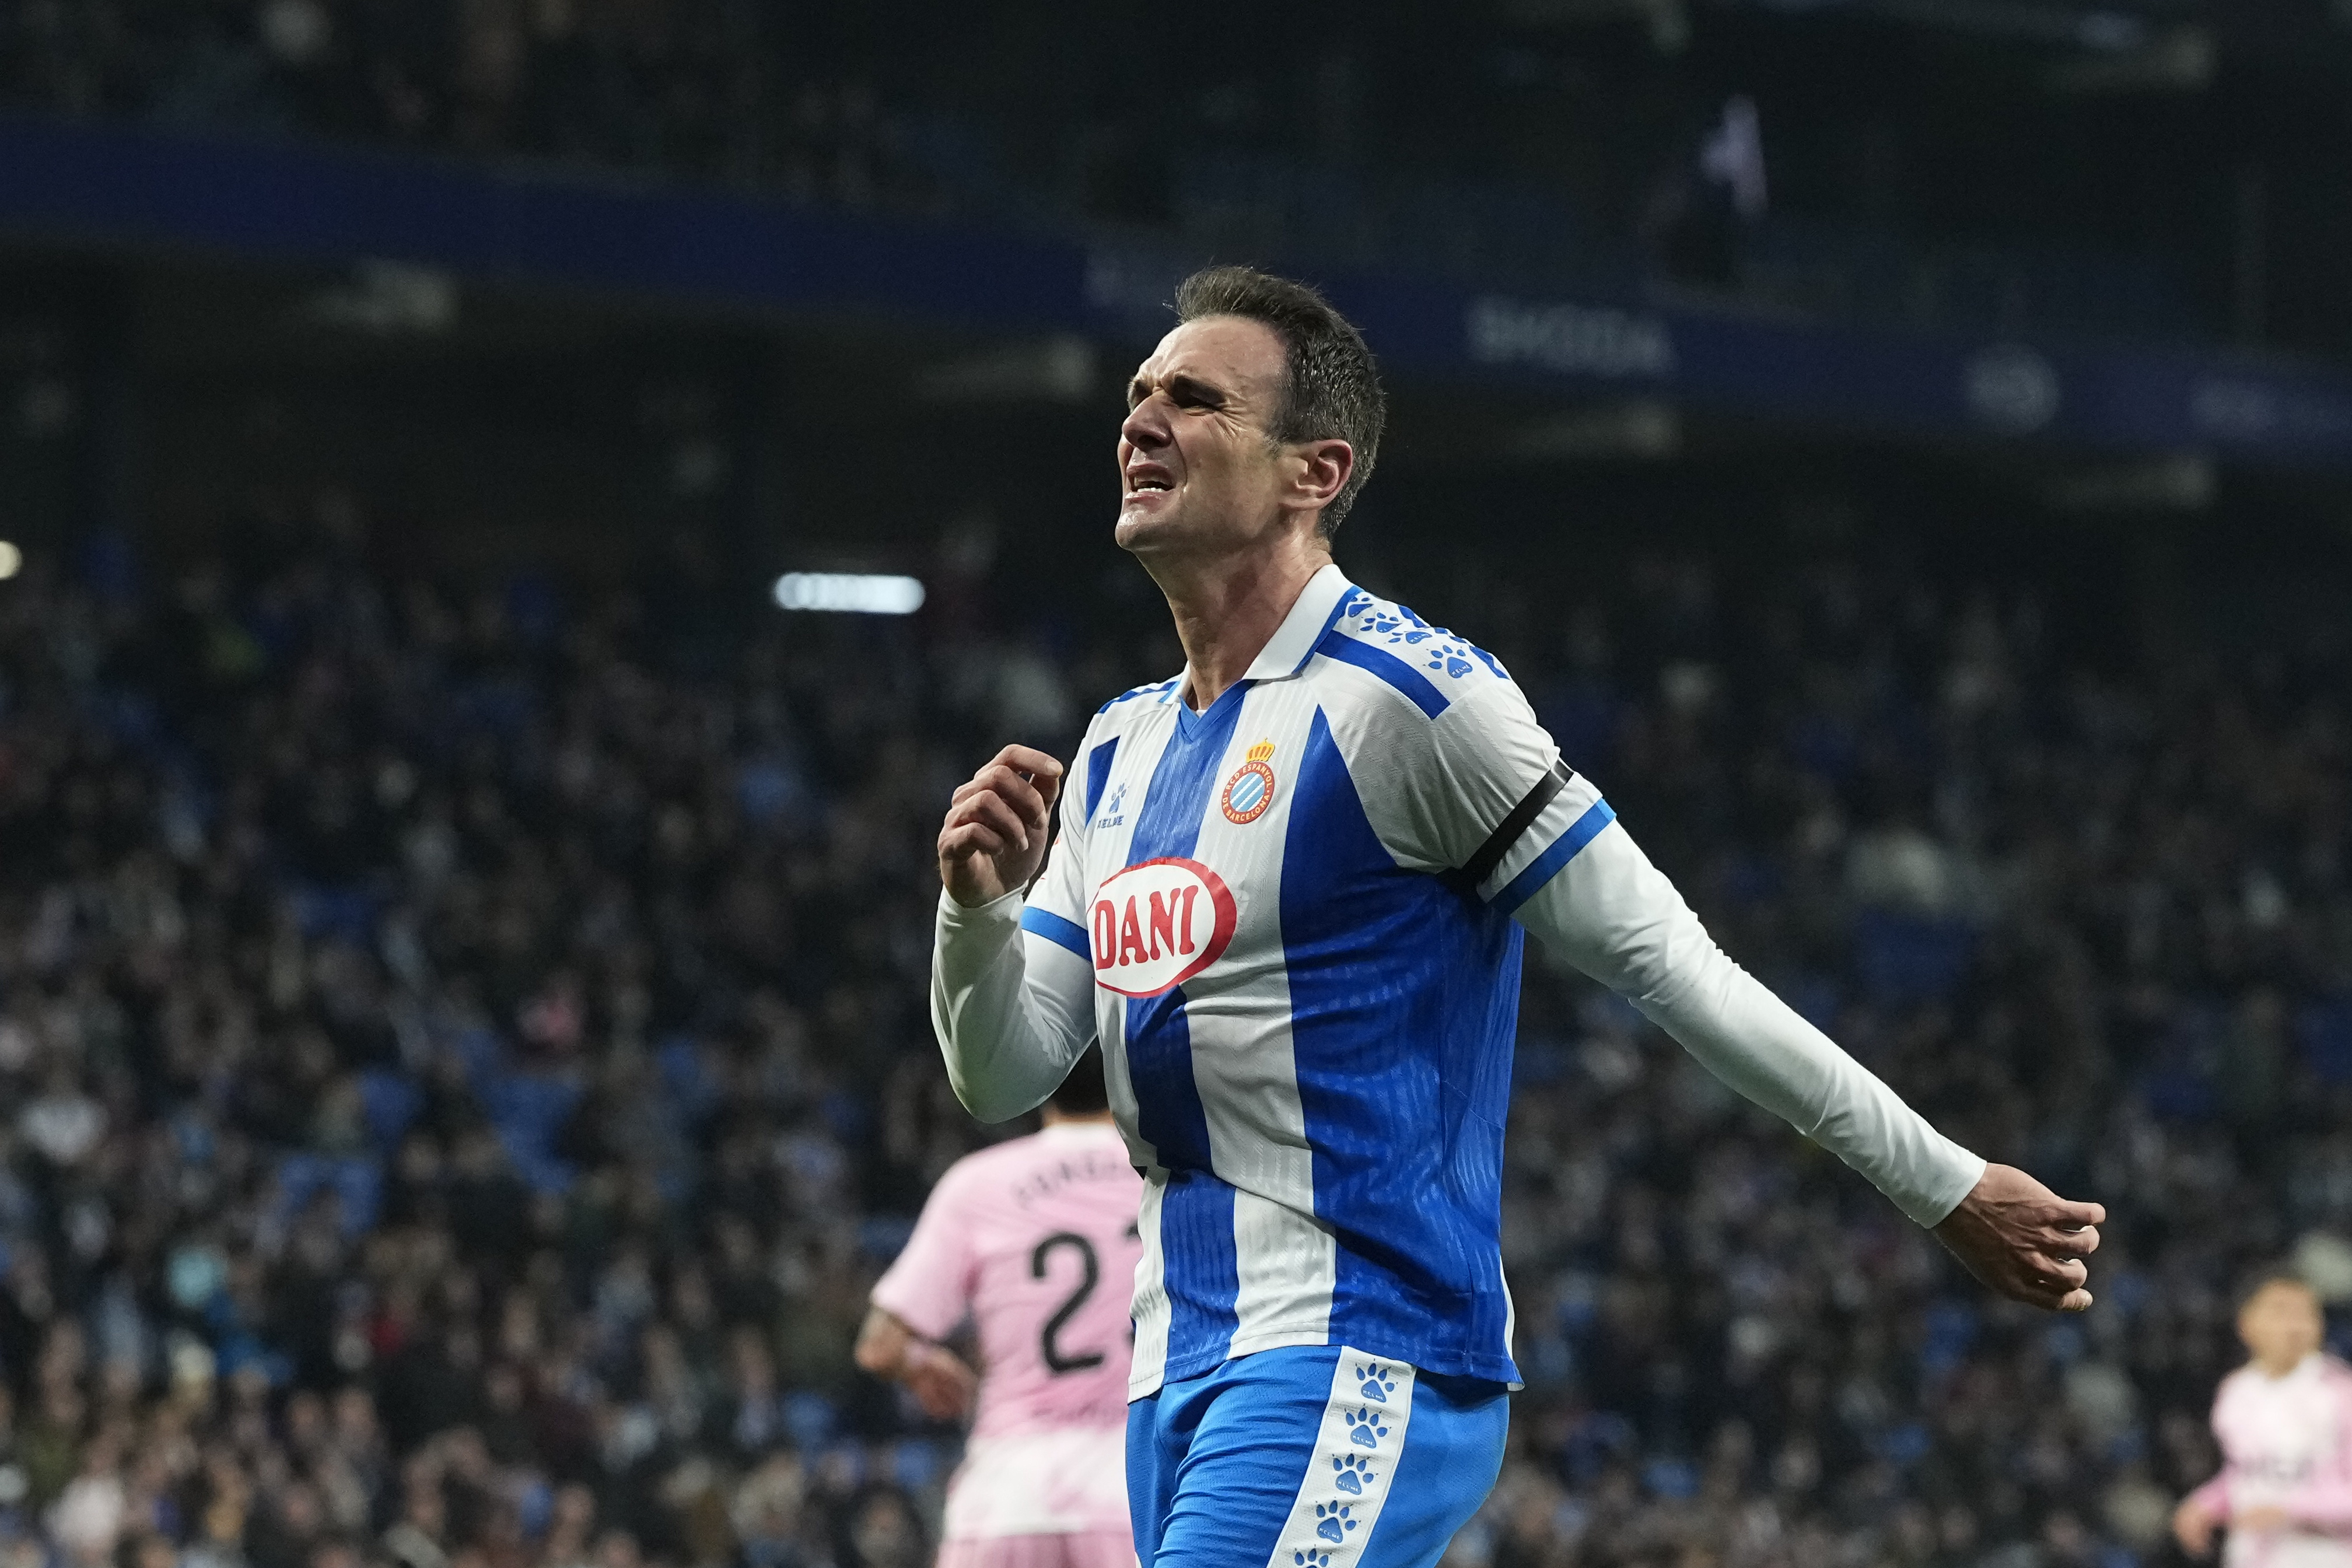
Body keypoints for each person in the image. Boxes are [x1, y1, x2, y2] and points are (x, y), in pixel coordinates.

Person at [928, 264, 2106, 1568]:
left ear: (1316, 472)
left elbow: (1674, 967)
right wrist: (974, 911)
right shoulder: (1120, 748)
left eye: (1194, 400)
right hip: (1172, 1373)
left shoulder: (1414, 703)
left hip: (1356, 1345)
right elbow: (1003, 1072)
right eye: (1139, 394)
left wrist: (1943, 1184)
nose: (1140, 421)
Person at [856, 1049, 1142, 1568]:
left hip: (1007, 1496)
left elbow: (881, 1346)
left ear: (1039, 1079)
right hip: (1130, 1495)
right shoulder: (1168, 1175)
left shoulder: (976, 1184)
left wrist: (921, 1363)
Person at [2176, 1273, 2352, 1567]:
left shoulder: (2340, 1393)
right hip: (2251, 1555)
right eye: (2280, 1311)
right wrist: (2206, 1504)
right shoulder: (2237, 1391)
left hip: (2326, 1554)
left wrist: (2291, 1509)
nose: (2295, 1325)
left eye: (2306, 1313)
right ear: (2246, 1323)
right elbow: (2245, 1473)